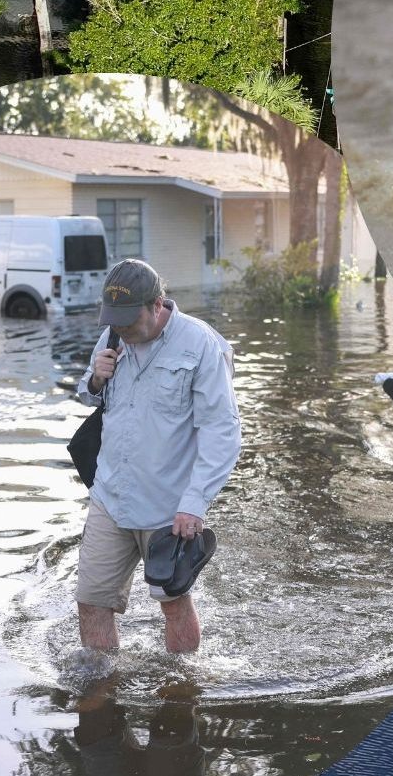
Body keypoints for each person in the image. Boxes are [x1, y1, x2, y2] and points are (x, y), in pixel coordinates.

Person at [76, 259, 241, 653]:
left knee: (174, 605)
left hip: (170, 507)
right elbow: (89, 394)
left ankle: (182, 691)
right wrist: (96, 378)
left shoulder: (201, 344)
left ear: (157, 305)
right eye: (113, 321)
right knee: (91, 601)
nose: (121, 331)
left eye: (129, 322)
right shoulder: (114, 333)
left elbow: (223, 431)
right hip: (110, 496)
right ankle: (102, 692)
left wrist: (194, 503)